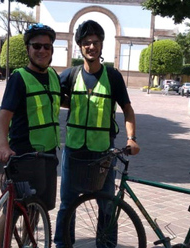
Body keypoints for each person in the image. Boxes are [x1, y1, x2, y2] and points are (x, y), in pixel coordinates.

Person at [54, 20, 140, 247]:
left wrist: (131, 139)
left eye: (95, 42)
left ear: (102, 45)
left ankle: (107, 245)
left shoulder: (113, 77)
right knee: (67, 204)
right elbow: (51, 96)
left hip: (103, 151)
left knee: (107, 204)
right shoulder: (69, 76)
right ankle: (63, 244)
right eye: (86, 43)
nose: (91, 46)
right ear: (80, 46)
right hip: (74, 150)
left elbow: (128, 110)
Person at [0, 23, 60, 247]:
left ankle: (26, 244)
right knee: (13, 211)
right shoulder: (19, 78)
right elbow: (4, 116)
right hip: (23, 155)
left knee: (36, 207)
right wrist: (3, 145)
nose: (42, 51)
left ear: (52, 50)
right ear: (28, 49)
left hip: (48, 156)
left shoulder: (53, 76)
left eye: (47, 46)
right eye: (36, 46)